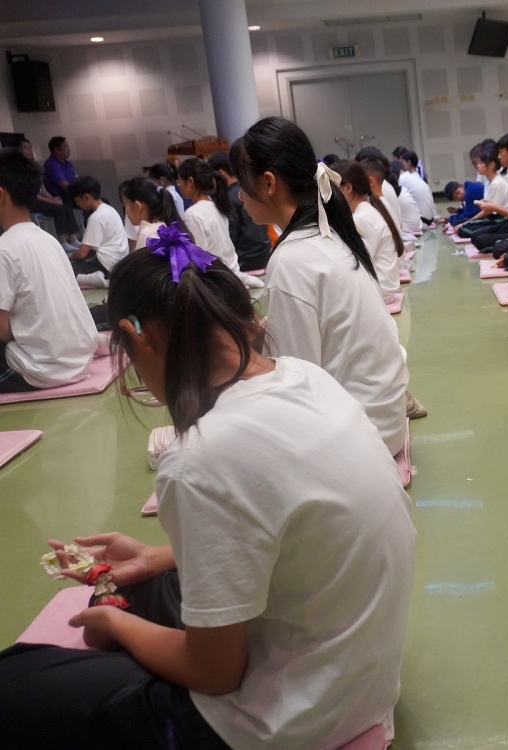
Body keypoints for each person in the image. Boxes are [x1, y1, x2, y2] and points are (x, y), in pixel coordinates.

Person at [0, 235, 416, 748]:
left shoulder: (200, 457)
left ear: (136, 337)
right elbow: (289, 527)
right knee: (144, 590)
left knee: (17, 680)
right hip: (362, 682)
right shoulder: (306, 377)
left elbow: (214, 672)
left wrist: (113, 625)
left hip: (288, 723)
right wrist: (155, 558)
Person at [231, 117, 409, 456]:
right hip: (385, 422)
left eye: (242, 183)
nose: (239, 195)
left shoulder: (291, 259)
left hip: (361, 440)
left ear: (268, 183)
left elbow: (294, 384)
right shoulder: (330, 233)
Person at [0, 148, 99, 393]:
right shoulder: (49, 240)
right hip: (78, 361)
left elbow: (2, 331)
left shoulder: (4, 248)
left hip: (40, 369)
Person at [176, 158, 263, 290]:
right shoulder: (217, 206)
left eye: (179, 181)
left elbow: (199, 256)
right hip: (231, 271)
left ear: (190, 182)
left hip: (216, 280)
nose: (179, 185)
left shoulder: (192, 214)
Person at [330, 160, 405, 304]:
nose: (329, 196)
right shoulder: (365, 210)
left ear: (348, 188)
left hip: (381, 292)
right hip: (383, 288)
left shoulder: (362, 219)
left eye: (332, 189)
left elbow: (353, 266)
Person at [207, 152, 272, 272]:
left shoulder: (228, 198)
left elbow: (232, 234)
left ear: (220, 173)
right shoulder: (251, 189)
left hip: (245, 258)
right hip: (264, 252)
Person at [66, 176, 129, 288]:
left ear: (86, 197)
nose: (78, 204)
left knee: (66, 270)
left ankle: (97, 279)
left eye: (77, 201)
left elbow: (82, 253)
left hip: (106, 264)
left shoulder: (96, 217)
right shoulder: (110, 210)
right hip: (120, 260)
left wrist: (69, 258)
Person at [18, 138, 81, 250]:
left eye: (30, 147)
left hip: (41, 198)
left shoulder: (34, 166)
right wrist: (51, 201)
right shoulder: (18, 170)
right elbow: (32, 194)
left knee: (65, 207)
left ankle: (74, 238)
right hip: (30, 201)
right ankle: (62, 241)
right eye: (25, 148)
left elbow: (42, 188)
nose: (30, 150)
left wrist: (54, 199)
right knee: (59, 210)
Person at [119, 177, 189, 250]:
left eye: (125, 205)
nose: (125, 211)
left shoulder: (147, 234)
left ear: (137, 206)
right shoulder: (164, 226)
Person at [398, 151, 435, 222]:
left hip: (422, 219)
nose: (401, 165)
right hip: (429, 218)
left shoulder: (405, 177)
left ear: (409, 163)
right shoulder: (417, 176)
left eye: (402, 162)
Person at [42, 136, 77, 203]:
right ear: (57, 150)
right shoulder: (51, 164)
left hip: (72, 194)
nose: (68, 149)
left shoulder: (68, 163)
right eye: (65, 146)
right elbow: (65, 186)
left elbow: (76, 180)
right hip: (60, 198)